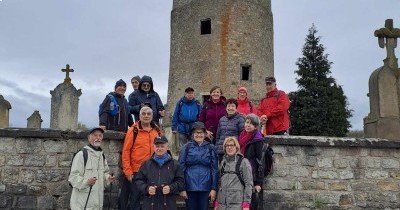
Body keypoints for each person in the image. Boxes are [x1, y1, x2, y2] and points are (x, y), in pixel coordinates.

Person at [119, 106, 163, 210]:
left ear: (152, 116)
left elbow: (162, 148)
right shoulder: (133, 130)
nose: (146, 116)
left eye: (148, 114)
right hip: (135, 172)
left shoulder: (157, 130)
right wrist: (127, 170)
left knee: (150, 200)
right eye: (143, 114)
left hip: (153, 171)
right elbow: (126, 151)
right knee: (134, 200)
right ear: (139, 116)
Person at [69, 127, 116, 210]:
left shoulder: (101, 155)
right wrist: (86, 181)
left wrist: (108, 178)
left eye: (100, 135)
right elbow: (73, 177)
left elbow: (104, 173)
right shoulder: (81, 155)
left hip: (97, 203)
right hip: (82, 203)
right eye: (95, 135)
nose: (98, 138)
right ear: (89, 137)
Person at [135, 136, 185, 210]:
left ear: (167, 147)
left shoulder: (175, 164)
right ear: (154, 147)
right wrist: (147, 189)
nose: (159, 148)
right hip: (150, 204)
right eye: (157, 146)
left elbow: (181, 182)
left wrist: (171, 188)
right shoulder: (146, 164)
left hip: (168, 204)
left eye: (162, 146)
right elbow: (138, 181)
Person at [179, 121, 218, 210]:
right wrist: (182, 188)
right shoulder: (186, 147)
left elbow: (214, 169)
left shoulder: (210, 147)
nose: (199, 135)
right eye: (196, 132)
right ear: (192, 134)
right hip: (189, 186)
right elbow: (181, 168)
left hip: (206, 186)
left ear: (205, 134)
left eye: (201, 132)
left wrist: (214, 188)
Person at [214, 137, 253, 210]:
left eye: (232, 145)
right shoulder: (223, 163)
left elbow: (249, 184)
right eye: (227, 145)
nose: (229, 147)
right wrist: (217, 202)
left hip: (237, 205)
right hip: (222, 206)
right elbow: (220, 184)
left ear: (236, 147)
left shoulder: (244, 162)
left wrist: (246, 204)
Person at [238, 114, 266, 210]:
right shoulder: (242, 136)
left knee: (251, 203)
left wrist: (258, 183)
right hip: (241, 173)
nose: (248, 125)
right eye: (247, 122)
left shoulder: (258, 140)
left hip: (252, 176)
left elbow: (261, 162)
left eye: (251, 124)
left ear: (256, 126)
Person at [171, 87, 202, 152]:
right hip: (182, 127)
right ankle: (183, 160)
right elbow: (176, 114)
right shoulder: (180, 103)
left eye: (192, 93)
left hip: (193, 127)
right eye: (189, 93)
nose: (190, 95)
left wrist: (200, 127)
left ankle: (193, 160)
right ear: (185, 94)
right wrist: (174, 128)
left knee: (194, 145)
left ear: (194, 94)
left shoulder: (197, 103)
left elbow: (200, 116)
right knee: (183, 147)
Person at [215, 98, 245, 162]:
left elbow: (242, 136)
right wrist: (217, 147)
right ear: (226, 108)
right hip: (221, 150)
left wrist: (237, 148)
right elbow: (218, 136)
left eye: (232, 106)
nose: (230, 108)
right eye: (228, 106)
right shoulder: (222, 119)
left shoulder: (240, 119)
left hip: (233, 150)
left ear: (236, 108)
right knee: (222, 169)